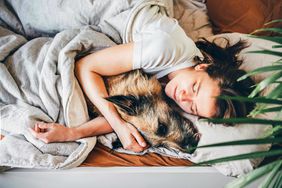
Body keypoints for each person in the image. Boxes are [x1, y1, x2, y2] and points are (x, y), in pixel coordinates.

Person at [29, 4, 255, 152]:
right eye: (195, 88)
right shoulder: (163, 49)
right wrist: (119, 126)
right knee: (31, 17)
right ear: (202, 67)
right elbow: (86, 66)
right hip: (117, 8)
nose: (184, 98)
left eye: (193, 108)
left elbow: (137, 114)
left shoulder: (180, 92)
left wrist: (73, 133)